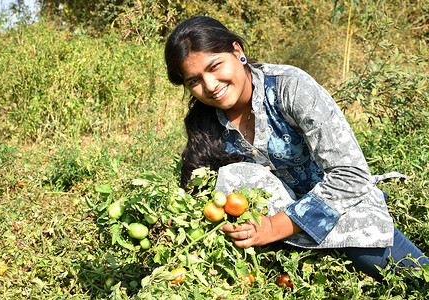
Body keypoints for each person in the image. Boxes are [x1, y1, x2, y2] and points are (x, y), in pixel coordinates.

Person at [164, 16, 428, 281]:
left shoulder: (289, 87)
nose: (210, 86)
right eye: (194, 81)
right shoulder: (206, 122)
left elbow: (351, 175)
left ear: (237, 51)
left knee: (412, 275)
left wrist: (273, 227)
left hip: (336, 210)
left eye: (215, 67)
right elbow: (199, 196)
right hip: (266, 233)